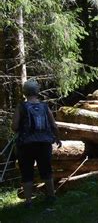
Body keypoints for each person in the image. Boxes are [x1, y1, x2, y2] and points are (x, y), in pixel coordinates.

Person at [12, 79, 62, 208]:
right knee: (46, 170)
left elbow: (14, 126)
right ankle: (51, 197)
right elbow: (53, 125)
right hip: (44, 143)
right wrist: (57, 138)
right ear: (37, 91)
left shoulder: (21, 107)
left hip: (26, 145)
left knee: (27, 172)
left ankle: (29, 202)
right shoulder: (44, 107)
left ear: (25, 92)